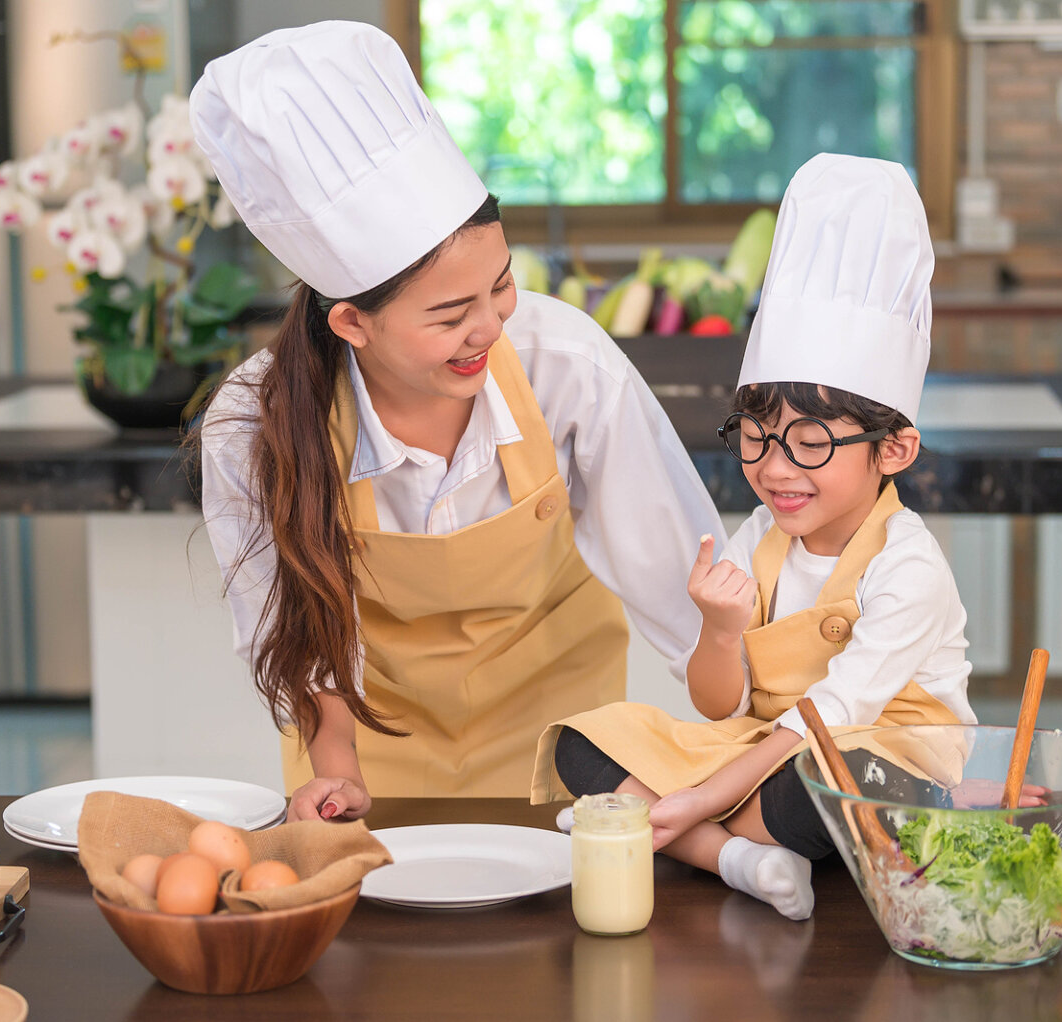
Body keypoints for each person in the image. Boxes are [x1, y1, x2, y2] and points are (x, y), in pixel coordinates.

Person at [189, 22, 724, 820]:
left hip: (558, 750)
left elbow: (691, 596)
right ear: (352, 325)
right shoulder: (252, 424)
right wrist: (334, 769)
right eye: (449, 315)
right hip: (363, 754)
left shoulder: (566, 365)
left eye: (501, 286)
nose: (491, 327)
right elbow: (292, 636)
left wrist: (745, 761)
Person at [531, 154, 978, 921]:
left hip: (876, 758)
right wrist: (719, 628)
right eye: (757, 438)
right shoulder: (761, 537)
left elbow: (834, 716)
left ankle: (668, 827)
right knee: (586, 742)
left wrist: (696, 794)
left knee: (838, 788)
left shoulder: (909, 567)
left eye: (810, 442)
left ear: (893, 449)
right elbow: (719, 707)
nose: (776, 470)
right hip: (760, 750)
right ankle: (735, 857)